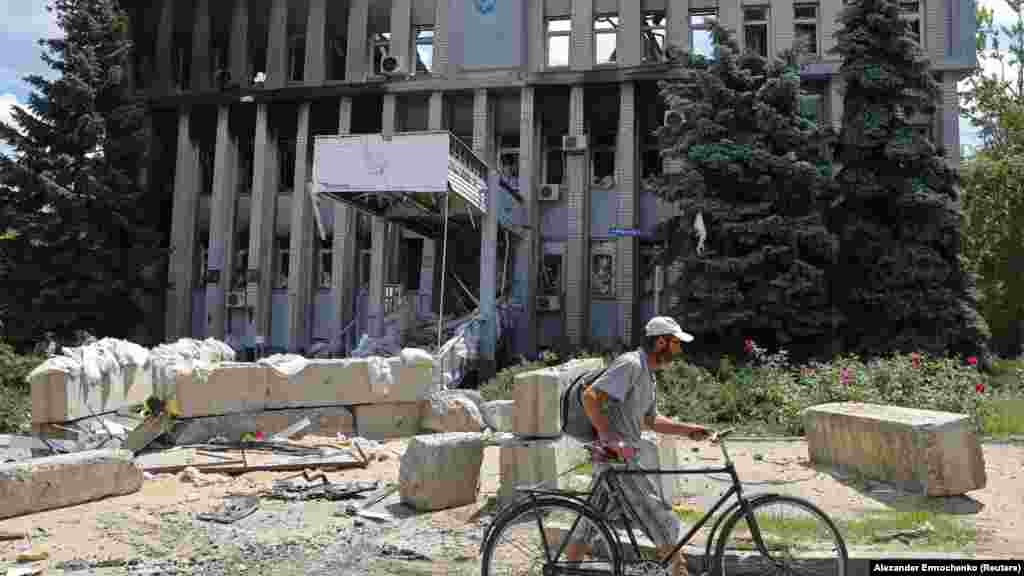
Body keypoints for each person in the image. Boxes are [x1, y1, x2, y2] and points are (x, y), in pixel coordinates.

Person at [567, 316, 712, 576]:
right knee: (659, 518)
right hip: (618, 459)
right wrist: (608, 437)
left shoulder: (648, 375)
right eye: (676, 343)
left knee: (588, 523)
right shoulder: (631, 365)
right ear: (661, 342)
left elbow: (651, 420)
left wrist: (689, 429)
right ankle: (679, 571)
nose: (679, 350)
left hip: (617, 458)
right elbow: (591, 396)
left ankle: (565, 570)